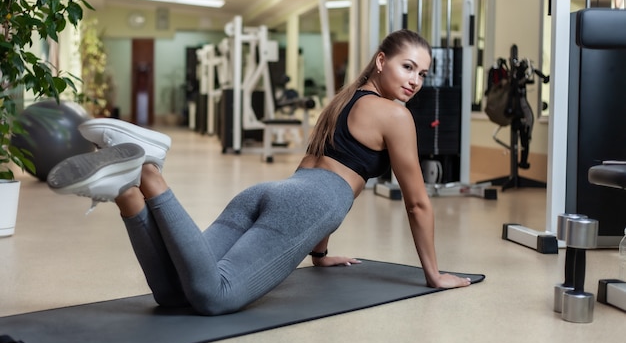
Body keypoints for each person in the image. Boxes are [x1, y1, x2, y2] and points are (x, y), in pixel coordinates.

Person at [47, 29, 472, 316]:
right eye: (407, 67)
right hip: (304, 205)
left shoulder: (343, 101)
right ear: (382, 61)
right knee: (215, 296)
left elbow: (318, 170)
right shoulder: (394, 116)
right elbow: (416, 203)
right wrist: (433, 276)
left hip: (270, 193)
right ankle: (151, 174)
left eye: (422, 73)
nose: (415, 80)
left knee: (174, 294)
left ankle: (128, 195)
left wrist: (319, 254)